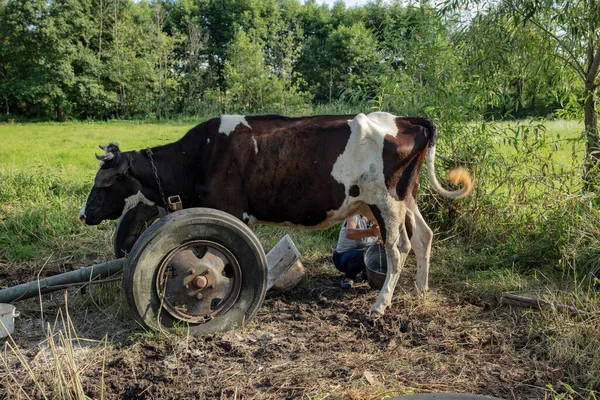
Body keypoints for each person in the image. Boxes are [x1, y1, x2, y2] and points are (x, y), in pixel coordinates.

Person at [332, 214, 381, 289]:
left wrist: (383, 243)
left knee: (380, 249)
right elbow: (349, 233)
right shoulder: (353, 216)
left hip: (362, 255)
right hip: (342, 258)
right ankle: (349, 277)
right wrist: (371, 232)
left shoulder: (375, 221)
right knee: (362, 253)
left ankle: (367, 273)